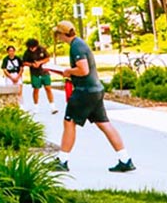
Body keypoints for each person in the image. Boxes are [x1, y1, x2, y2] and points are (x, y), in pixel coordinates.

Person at [51, 20, 136, 173]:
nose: (58, 37)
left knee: (69, 122)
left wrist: (68, 72)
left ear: (62, 34)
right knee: (104, 123)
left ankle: (62, 161)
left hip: (84, 92)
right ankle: (125, 159)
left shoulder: (76, 47)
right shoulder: (80, 43)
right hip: (95, 90)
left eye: (58, 34)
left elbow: (83, 70)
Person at [23, 38, 57, 113]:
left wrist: (39, 62)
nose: (32, 49)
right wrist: (32, 64)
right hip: (35, 73)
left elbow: (47, 58)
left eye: (33, 47)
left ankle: (53, 107)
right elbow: (24, 62)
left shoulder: (42, 49)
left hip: (44, 72)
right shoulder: (27, 52)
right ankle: (36, 107)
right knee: (36, 89)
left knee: (48, 88)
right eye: (30, 48)